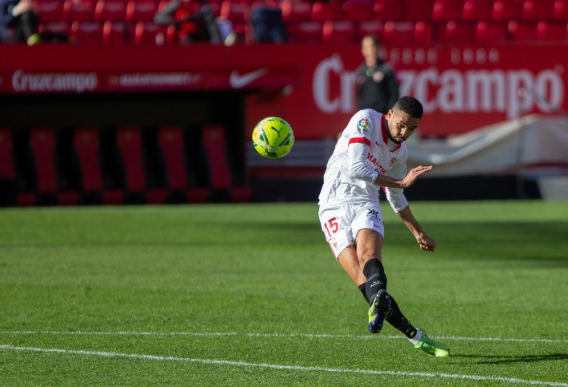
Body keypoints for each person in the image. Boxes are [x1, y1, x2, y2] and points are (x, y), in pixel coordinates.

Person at [317, 96, 449, 357]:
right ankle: (414, 335)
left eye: (411, 129)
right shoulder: (365, 120)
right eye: (401, 125)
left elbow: (395, 196)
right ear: (389, 114)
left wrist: (418, 232)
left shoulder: (400, 153)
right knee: (364, 281)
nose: (404, 133)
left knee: (370, 257)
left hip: (366, 201)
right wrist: (399, 183)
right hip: (333, 203)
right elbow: (356, 167)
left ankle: (411, 332)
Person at [355, 35, 399, 114]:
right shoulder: (360, 71)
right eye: (367, 47)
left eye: (373, 46)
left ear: (378, 47)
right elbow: (359, 96)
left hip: (382, 115)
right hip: (366, 116)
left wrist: (388, 115)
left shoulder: (387, 69)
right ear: (363, 50)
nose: (371, 49)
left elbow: (394, 94)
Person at [154, 0, 224, 44]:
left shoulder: (201, 3)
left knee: (213, 25)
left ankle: (218, 47)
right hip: (184, 36)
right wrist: (175, 21)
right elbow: (158, 17)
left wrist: (191, 18)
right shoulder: (177, 3)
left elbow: (209, 17)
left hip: (201, 34)